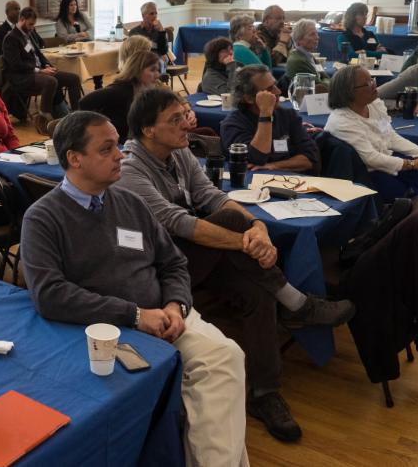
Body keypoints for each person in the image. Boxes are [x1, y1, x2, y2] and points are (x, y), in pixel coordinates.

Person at [117, 87, 356, 442]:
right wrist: (248, 240)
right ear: (149, 130)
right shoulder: (130, 170)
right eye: (176, 119)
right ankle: (297, 303)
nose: (187, 123)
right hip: (156, 270)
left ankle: (264, 392)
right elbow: (177, 222)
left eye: (184, 114)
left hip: (194, 258)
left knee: (255, 289)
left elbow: (213, 196)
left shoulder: (178, 153)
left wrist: (258, 227)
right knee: (231, 227)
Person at [20, 110, 249, 467]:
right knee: (200, 381)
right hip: (108, 330)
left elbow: (173, 263)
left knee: (226, 356)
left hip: (165, 317)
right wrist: (136, 316)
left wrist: (176, 305)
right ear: (74, 159)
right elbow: (50, 295)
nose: (121, 156)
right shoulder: (43, 217)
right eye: (107, 149)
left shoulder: (129, 202)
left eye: (118, 146)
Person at [325, 65, 418, 254]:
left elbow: (391, 137)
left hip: (387, 163)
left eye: (372, 80)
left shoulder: (372, 105)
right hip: (367, 177)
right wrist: (413, 164)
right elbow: (371, 159)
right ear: (350, 92)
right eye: (367, 83)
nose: (374, 85)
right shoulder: (342, 121)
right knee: (415, 197)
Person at [221, 65, 320, 173]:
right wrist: (265, 113)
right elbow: (257, 157)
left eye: (275, 85)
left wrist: (273, 166)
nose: (278, 91)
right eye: (269, 89)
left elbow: (311, 159)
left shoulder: (288, 115)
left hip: (293, 184)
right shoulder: (233, 124)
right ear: (249, 98)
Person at [2, 6, 82, 120]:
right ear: (22, 20)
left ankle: (77, 115)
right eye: (30, 24)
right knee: (51, 81)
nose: (32, 27)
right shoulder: (11, 38)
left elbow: (39, 54)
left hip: (38, 71)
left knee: (74, 79)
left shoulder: (29, 33)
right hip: (22, 76)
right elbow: (16, 65)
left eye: (33, 24)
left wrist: (47, 65)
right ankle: (44, 116)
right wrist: (39, 70)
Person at [79, 50, 162, 141]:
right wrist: (98, 127)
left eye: (157, 70)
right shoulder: (121, 90)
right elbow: (84, 102)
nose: (157, 75)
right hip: (118, 142)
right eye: (152, 70)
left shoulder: (144, 90)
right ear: (137, 70)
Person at [285, 19, 331, 88]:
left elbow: (326, 78)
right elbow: (320, 87)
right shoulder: (298, 61)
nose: (317, 37)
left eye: (316, 33)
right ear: (299, 39)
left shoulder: (309, 56)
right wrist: (326, 81)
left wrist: (325, 81)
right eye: (312, 34)